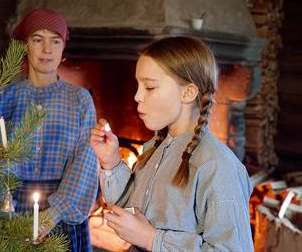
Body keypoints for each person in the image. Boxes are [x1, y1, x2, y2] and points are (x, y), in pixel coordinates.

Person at [90, 36, 254, 251]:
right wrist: (111, 162)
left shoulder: (217, 166)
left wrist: (152, 239)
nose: (138, 97)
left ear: (187, 92)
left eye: (149, 87)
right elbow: (135, 211)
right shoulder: (154, 149)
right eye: (138, 86)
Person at [0, 9, 98, 252]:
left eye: (55, 41)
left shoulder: (80, 100)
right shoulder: (4, 99)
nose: (47, 49)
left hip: (60, 215)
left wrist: (52, 215)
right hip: (10, 210)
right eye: (38, 40)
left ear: (63, 47)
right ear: (25, 45)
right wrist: (4, 210)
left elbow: (86, 158)